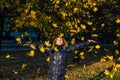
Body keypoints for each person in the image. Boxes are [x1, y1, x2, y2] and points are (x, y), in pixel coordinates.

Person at [23, 36, 96, 80]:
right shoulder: (51, 49)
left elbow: (77, 46)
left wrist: (87, 42)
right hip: (52, 74)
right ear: (56, 42)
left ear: (63, 41)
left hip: (61, 74)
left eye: (61, 39)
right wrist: (30, 44)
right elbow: (40, 47)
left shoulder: (66, 49)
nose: (60, 40)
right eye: (58, 39)